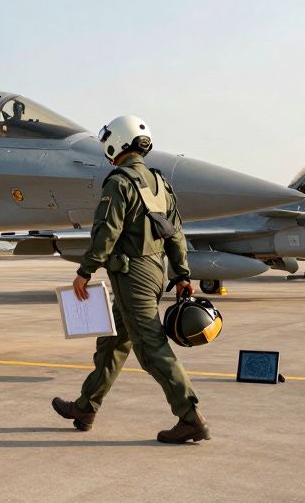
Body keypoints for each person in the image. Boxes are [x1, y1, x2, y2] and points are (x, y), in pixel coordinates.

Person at [51, 115, 209, 444]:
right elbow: (176, 233)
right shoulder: (159, 183)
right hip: (155, 270)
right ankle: (85, 407)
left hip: (131, 274)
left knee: (150, 347)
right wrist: (181, 274)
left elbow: (107, 231)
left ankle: (189, 415)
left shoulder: (119, 182)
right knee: (113, 343)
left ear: (116, 143)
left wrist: (85, 271)